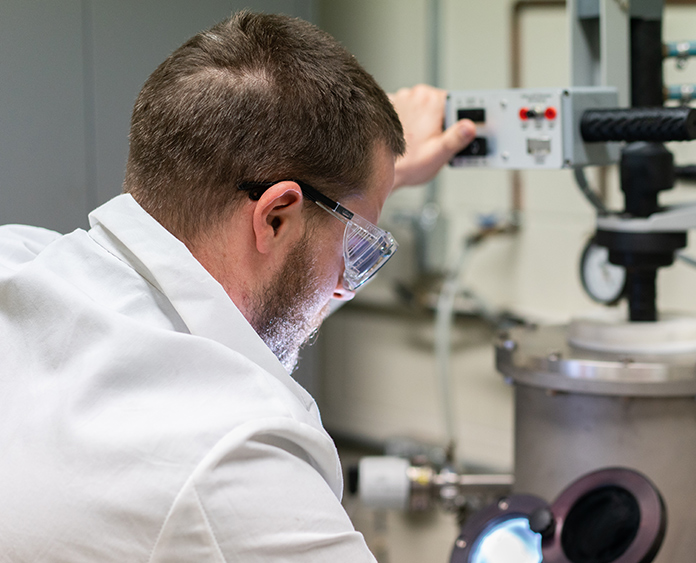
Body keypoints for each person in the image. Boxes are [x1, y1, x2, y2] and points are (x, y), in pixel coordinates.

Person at [0, 11, 474, 562]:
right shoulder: (235, 461)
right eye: (356, 246)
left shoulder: (19, 261)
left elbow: (241, 309)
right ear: (275, 218)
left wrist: (370, 174)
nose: (346, 285)